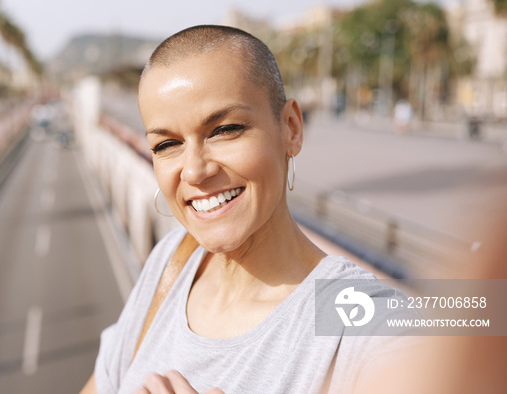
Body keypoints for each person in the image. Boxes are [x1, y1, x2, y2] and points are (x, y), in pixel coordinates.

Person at [81, 25, 400, 394]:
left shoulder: (358, 324)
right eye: (167, 144)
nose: (195, 170)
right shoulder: (171, 264)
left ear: (291, 128)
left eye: (225, 129)